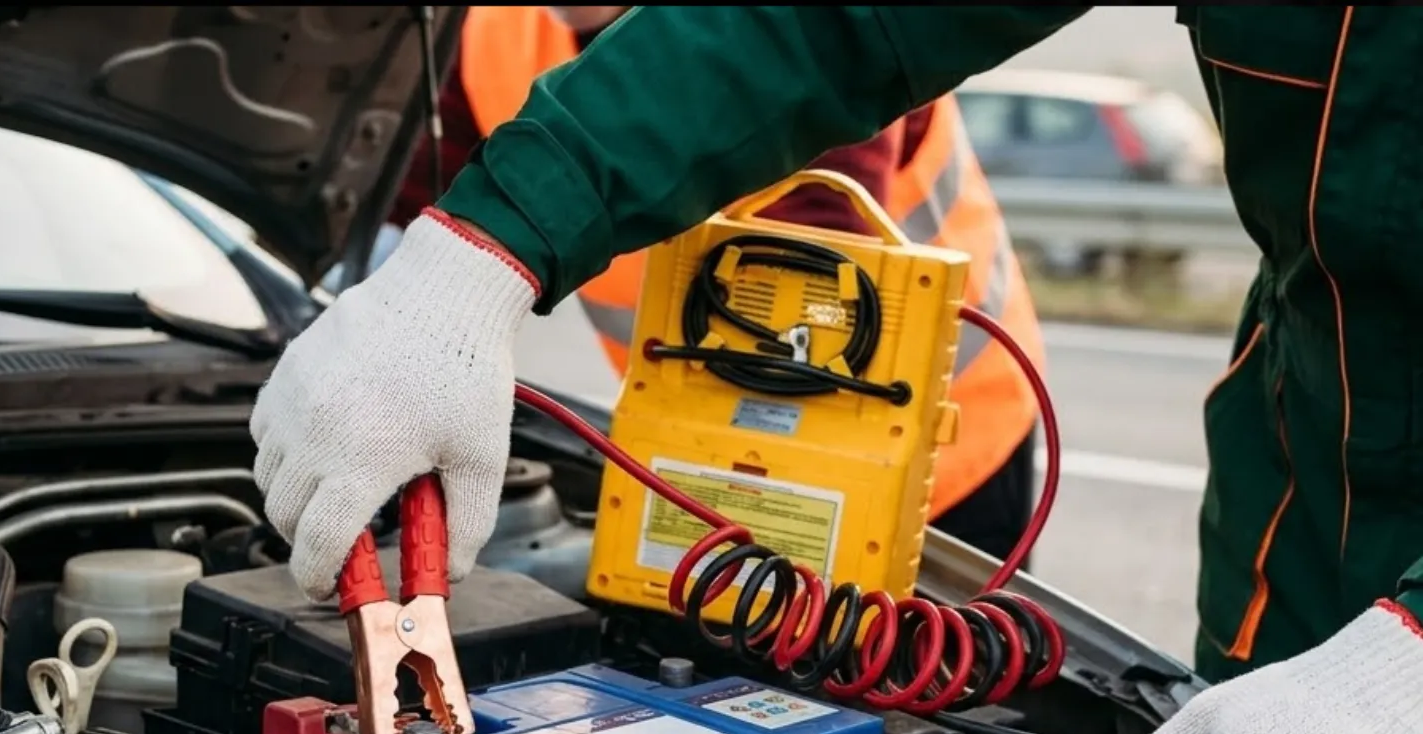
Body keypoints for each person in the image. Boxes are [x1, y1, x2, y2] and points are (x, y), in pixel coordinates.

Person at [249, 7, 1423, 734]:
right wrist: (473, 256)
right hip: (1295, 538)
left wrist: (1400, 685)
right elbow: (825, 22)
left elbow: (798, 253)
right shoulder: (499, 31)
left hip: (941, 462)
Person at [386, 5, 1047, 563]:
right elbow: (410, 206)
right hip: (716, 446)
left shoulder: (777, 31)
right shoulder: (496, 31)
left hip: (940, 450)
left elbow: (816, 291)